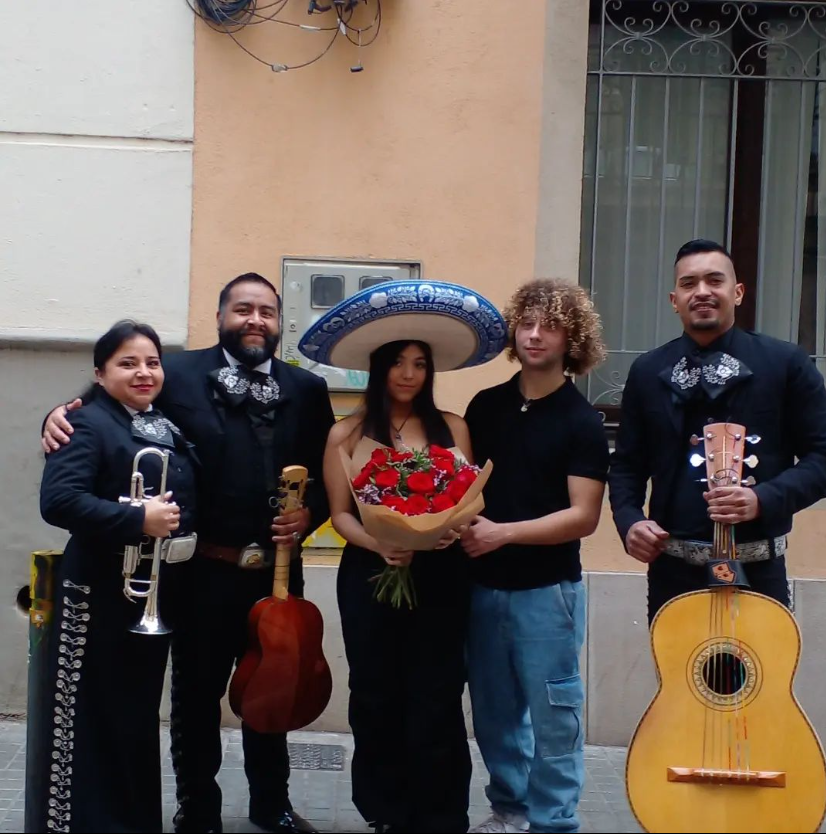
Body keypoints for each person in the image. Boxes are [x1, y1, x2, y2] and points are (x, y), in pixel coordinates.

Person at [42, 273, 335, 834]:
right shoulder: (174, 373)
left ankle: (271, 804)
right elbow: (113, 403)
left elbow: (327, 472)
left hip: (277, 571)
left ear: (280, 322)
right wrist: (57, 415)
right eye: (242, 309)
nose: (255, 320)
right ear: (220, 317)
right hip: (203, 573)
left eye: (266, 311)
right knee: (196, 697)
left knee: (275, 685)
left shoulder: (308, 389)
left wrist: (311, 515)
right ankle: (197, 809)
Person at [299, 279, 508, 834]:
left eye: (419, 363)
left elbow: (467, 498)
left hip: (441, 574)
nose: (409, 373)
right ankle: (386, 812)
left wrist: (447, 530)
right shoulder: (345, 435)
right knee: (375, 694)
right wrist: (382, 543)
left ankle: (440, 816)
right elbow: (340, 514)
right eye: (398, 362)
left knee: (437, 693)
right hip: (370, 575)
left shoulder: (453, 427)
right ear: (379, 367)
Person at [608, 238, 826, 624]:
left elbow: (822, 458)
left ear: (737, 292)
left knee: (759, 668)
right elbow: (627, 465)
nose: (702, 292)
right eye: (689, 284)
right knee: (680, 667)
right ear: (674, 300)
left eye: (714, 280)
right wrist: (629, 521)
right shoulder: (646, 371)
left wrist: (763, 498)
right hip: (672, 574)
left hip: (759, 573)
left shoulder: (786, 364)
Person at [460, 279, 609, 834]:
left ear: (573, 339)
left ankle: (555, 822)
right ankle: (510, 811)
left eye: (550, 326)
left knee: (554, 719)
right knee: (494, 716)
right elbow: (461, 490)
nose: (535, 334)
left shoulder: (582, 420)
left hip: (549, 594)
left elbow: (583, 516)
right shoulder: (484, 407)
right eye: (526, 323)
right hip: (482, 589)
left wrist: (503, 534)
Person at [38, 320, 199, 833]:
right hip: (99, 593)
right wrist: (137, 518)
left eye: (152, 362)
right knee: (94, 720)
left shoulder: (162, 423)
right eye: (127, 363)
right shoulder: (86, 423)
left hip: (150, 593)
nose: (143, 372)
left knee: (133, 720)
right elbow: (59, 501)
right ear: (100, 373)